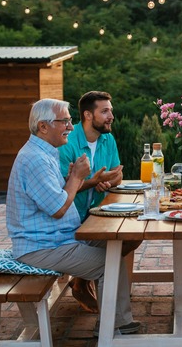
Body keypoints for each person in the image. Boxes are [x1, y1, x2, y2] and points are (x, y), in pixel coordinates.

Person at [6, 98, 146, 347]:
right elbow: (58, 207)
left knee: (120, 243)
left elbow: (56, 197)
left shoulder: (44, 152)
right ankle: (111, 340)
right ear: (43, 127)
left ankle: (119, 322)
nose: (71, 126)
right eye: (65, 121)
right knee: (110, 262)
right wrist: (77, 177)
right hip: (43, 247)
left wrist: (71, 178)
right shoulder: (34, 160)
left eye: (70, 120)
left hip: (60, 238)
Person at [58, 91, 140, 314]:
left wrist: (107, 181)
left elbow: (117, 174)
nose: (111, 116)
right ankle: (90, 283)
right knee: (117, 243)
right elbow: (62, 188)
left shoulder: (108, 138)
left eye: (111, 110)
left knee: (133, 236)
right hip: (73, 217)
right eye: (104, 111)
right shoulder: (67, 142)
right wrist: (93, 181)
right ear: (87, 115)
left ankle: (84, 280)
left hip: (101, 213)